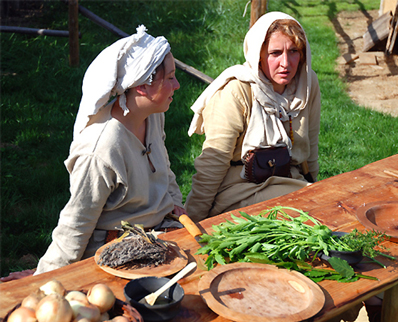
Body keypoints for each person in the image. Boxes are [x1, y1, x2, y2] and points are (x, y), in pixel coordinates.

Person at [1, 25, 184, 281]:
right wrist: (40, 280)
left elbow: (163, 164)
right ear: (142, 86)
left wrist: (176, 203)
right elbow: (76, 224)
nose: (177, 85)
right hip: (119, 255)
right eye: (170, 78)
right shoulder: (101, 149)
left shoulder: (152, 116)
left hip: (162, 236)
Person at [185, 12, 321, 222]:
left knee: (325, 208)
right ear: (258, 54)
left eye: (293, 51)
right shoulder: (236, 92)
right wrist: (193, 220)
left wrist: (318, 188)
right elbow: (214, 161)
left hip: (289, 179)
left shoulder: (306, 82)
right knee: (299, 216)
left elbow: (310, 142)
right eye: (275, 53)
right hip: (240, 187)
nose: (286, 63)